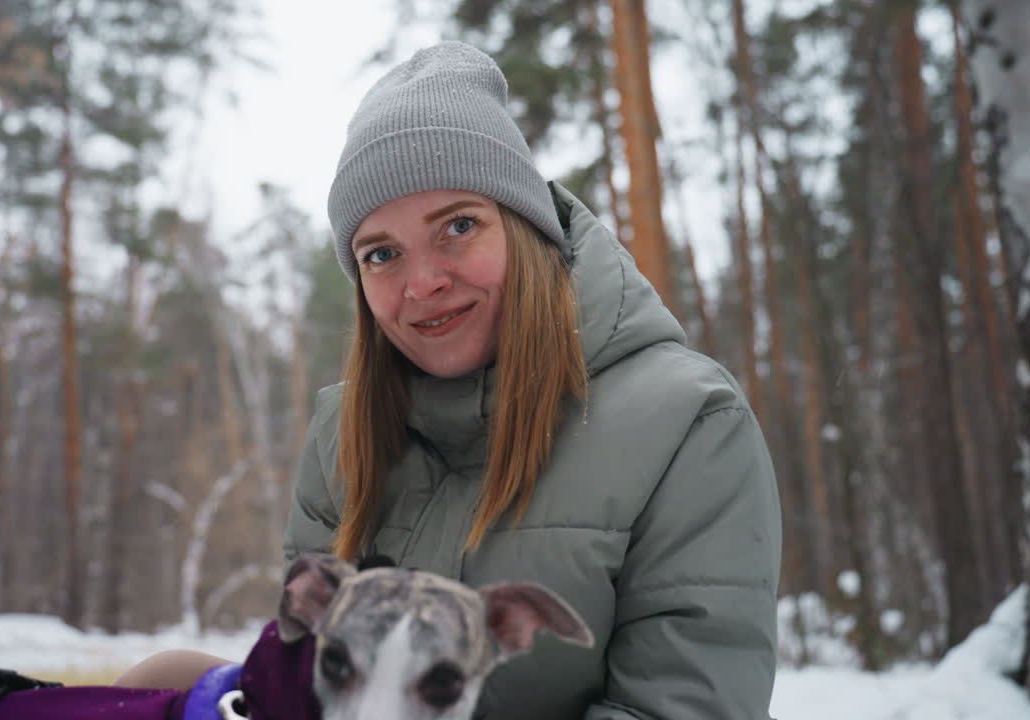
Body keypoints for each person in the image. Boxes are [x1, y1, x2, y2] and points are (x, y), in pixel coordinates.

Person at [121, 40, 781, 720]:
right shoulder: (342, 431)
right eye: (381, 253)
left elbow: (682, 706)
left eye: (458, 226)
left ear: (527, 230)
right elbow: (306, 678)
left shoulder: (686, 421)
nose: (424, 283)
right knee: (158, 678)